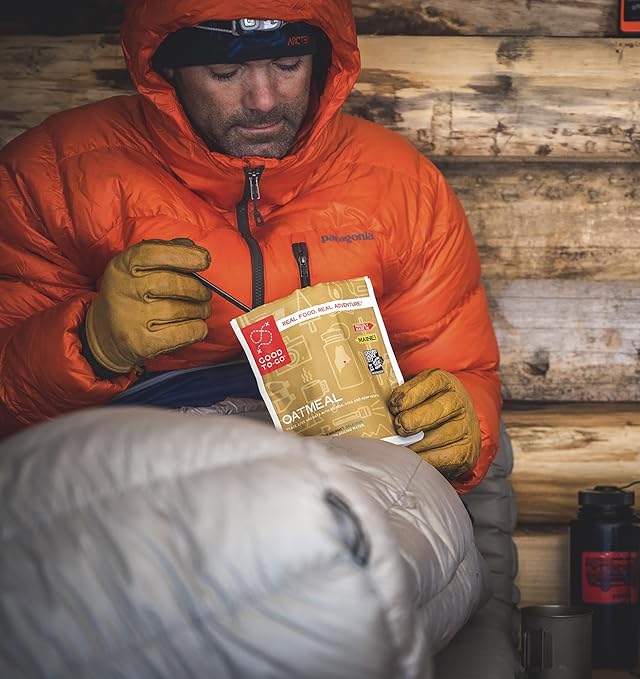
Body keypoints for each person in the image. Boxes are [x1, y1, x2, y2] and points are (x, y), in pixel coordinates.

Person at [0, 0, 501, 492]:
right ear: (165, 67)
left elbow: (458, 369)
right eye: (225, 71)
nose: (263, 99)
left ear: (324, 59)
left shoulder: (402, 185)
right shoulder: (52, 178)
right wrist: (91, 346)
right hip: (143, 462)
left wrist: (461, 425)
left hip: (356, 467)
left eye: (288, 64)